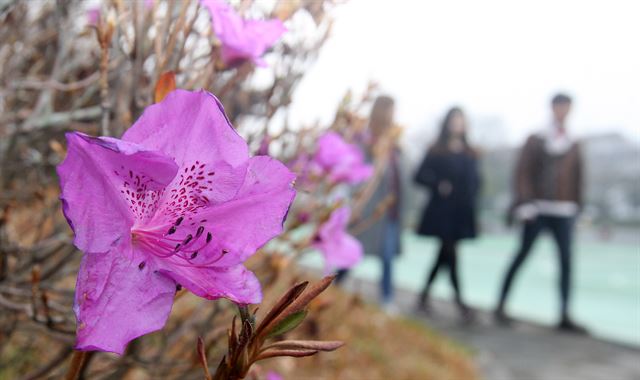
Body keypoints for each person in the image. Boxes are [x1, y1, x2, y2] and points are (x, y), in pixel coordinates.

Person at [495, 93, 586, 333]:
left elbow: (579, 177)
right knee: (522, 254)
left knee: (566, 262)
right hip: (537, 208)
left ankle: (564, 313)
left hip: (563, 210)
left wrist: (577, 208)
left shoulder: (574, 142)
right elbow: (522, 172)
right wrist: (525, 202)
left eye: (567, 107)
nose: (563, 111)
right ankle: (501, 305)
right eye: (560, 107)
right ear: (553, 108)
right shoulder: (536, 139)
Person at [414, 107, 481, 319]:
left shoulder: (470, 151)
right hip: (442, 212)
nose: (457, 124)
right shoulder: (437, 150)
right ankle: (461, 303)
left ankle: (424, 297)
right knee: (450, 254)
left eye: (461, 120)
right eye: (454, 120)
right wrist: (438, 184)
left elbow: (476, 180)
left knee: (445, 256)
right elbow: (419, 176)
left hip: (462, 212)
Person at [350, 95, 403, 310]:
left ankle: (387, 298)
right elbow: (362, 171)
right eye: (390, 110)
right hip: (369, 208)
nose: (393, 115)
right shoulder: (367, 139)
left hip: (388, 210)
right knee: (356, 249)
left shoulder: (394, 142)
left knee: (387, 256)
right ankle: (335, 281)